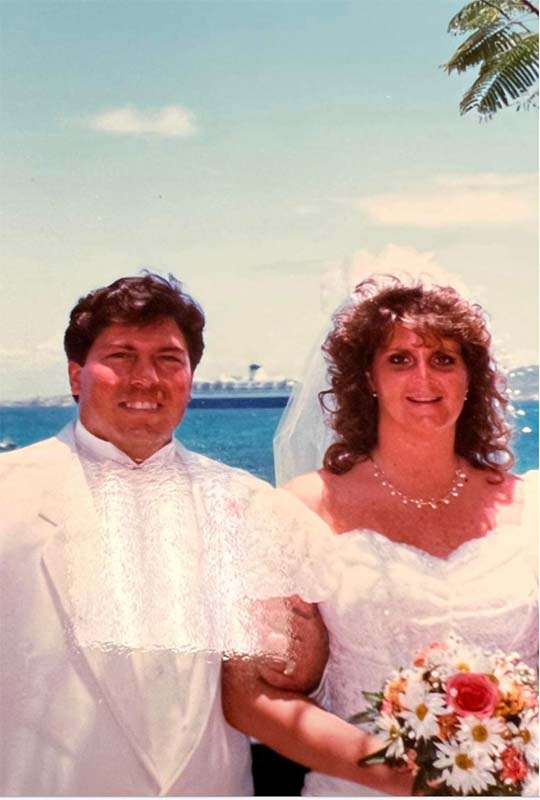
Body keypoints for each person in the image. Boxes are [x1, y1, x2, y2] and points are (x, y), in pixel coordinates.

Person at [0, 271, 331, 796]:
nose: (145, 378)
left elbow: (304, 672)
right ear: (75, 375)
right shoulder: (7, 497)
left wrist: (303, 659)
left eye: (168, 360)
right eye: (121, 356)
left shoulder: (254, 506)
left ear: (190, 378)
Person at [223, 275, 538, 796]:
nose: (423, 377)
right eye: (399, 360)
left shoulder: (531, 509)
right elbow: (248, 698)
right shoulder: (301, 512)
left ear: (470, 378)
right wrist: (402, 775)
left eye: (444, 360)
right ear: (367, 378)